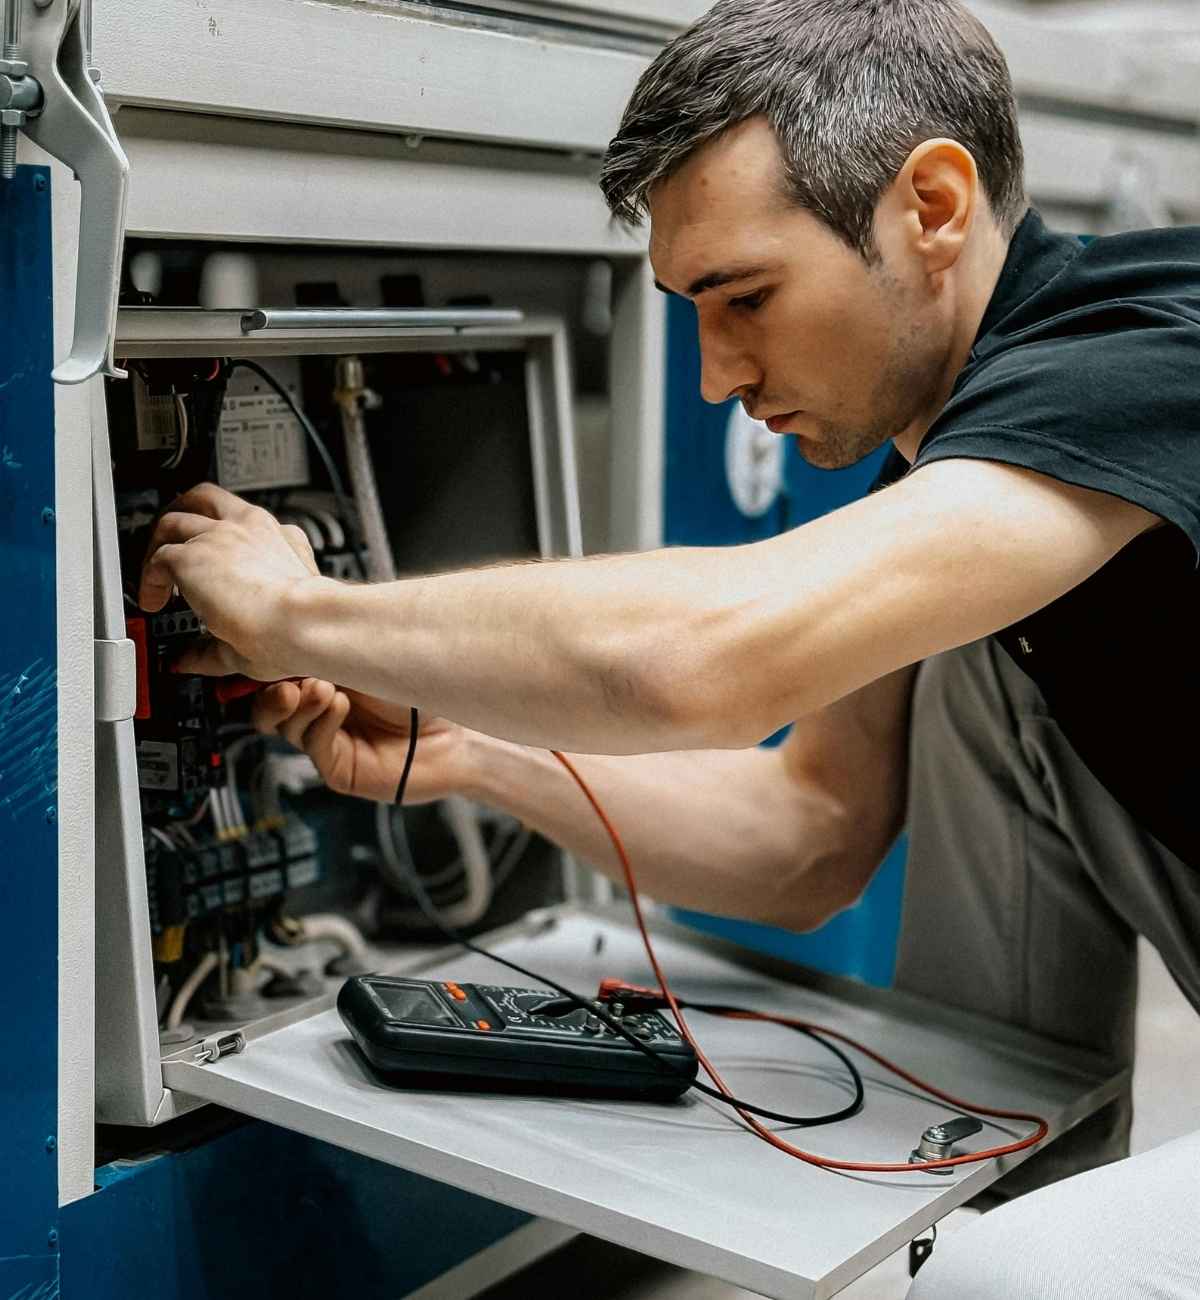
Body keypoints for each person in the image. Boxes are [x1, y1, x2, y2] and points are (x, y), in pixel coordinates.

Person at [139, 2, 1200, 1293]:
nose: (714, 375)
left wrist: (297, 611)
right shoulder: (963, 491)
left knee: (1021, 1283)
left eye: (746, 297)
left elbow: (704, 660)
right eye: (691, 309)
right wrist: (475, 755)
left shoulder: (1157, 356)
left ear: (931, 202)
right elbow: (806, 834)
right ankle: (1019, 1188)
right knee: (973, 651)